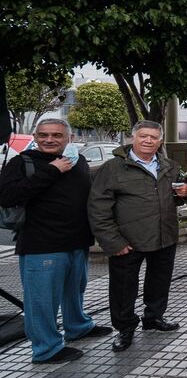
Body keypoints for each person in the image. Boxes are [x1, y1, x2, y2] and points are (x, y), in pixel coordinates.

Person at [0, 119, 111, 364]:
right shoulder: (22, 162)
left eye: (56, 135)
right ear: (35, 136)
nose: (49, 139)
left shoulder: (77, 161)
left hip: (77, 241)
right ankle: (46, 348)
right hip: (42, 244)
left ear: (69, 138)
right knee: (42, 300)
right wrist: (51, 170)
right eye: (43, 135)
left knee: (75, 291)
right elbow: (7, 197)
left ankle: (78, 326)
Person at [89, 120, 187, 352]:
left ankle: (153, 317)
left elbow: (175, 196)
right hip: (127, 241)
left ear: (160, 141)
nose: (148, 141)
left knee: (159, 281)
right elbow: (98, 208)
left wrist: (186, 192)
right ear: (132, 138)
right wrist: (113, 241)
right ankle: (125, 328)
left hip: (164, 237)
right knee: (123, 288)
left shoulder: (169, 166)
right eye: (143, 136)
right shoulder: (113, 168)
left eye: (153, 137)